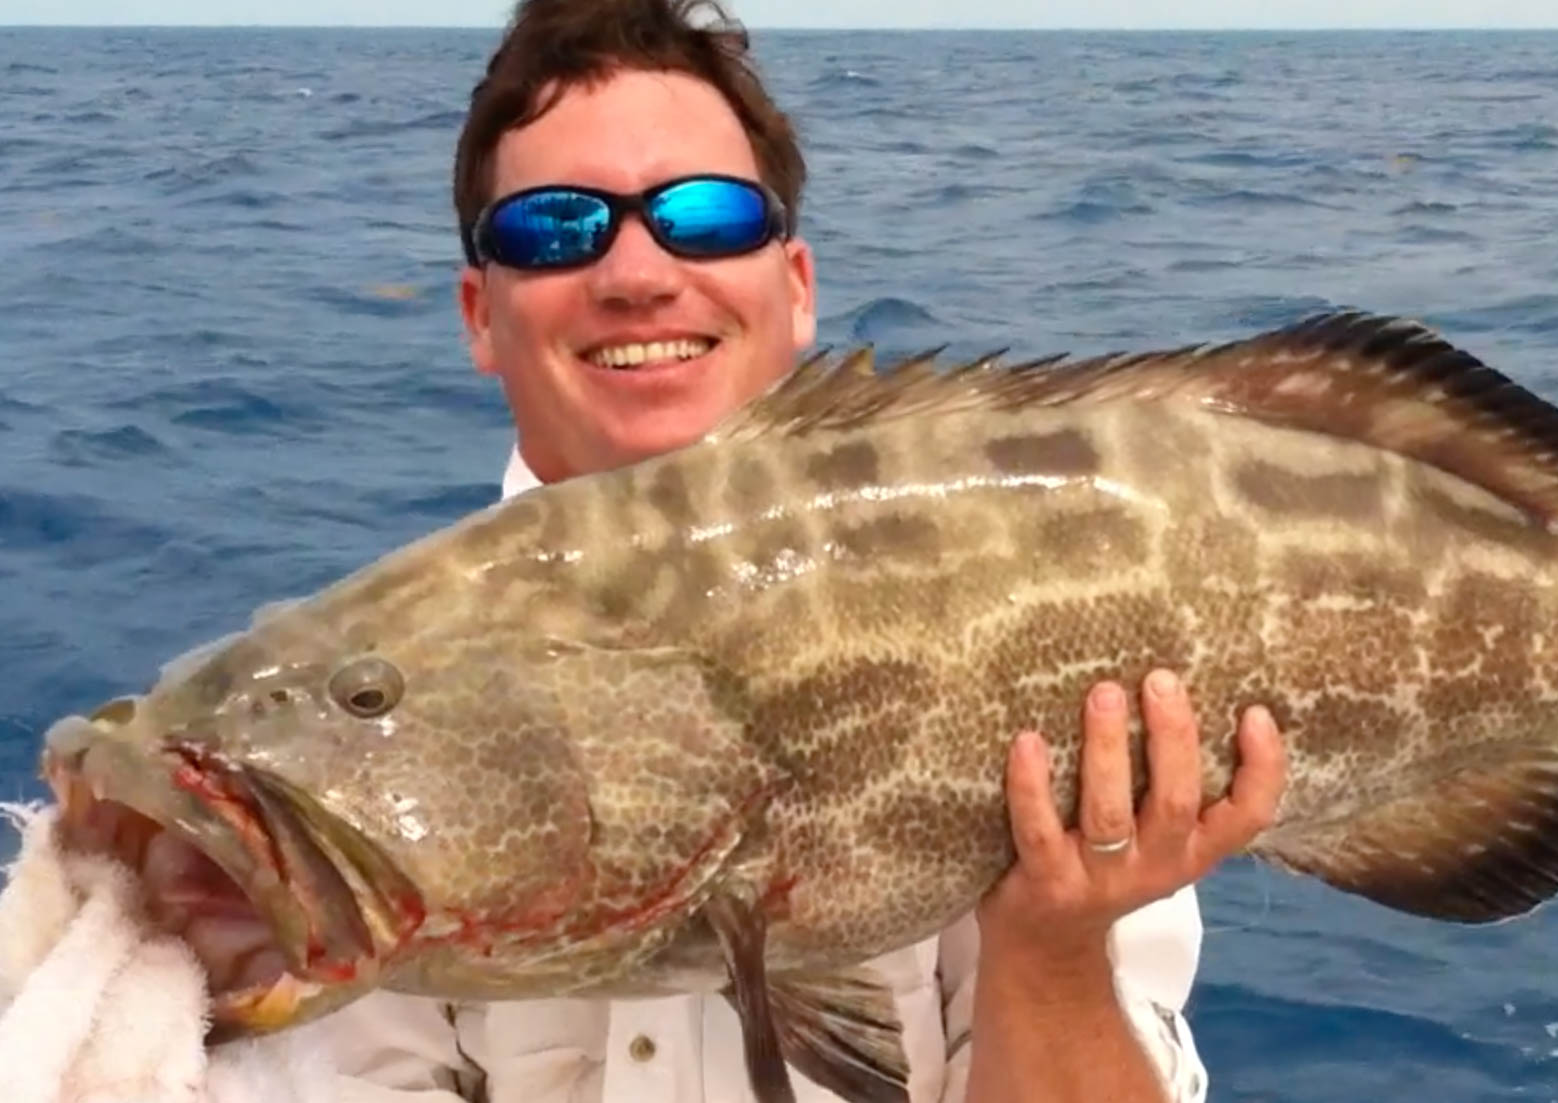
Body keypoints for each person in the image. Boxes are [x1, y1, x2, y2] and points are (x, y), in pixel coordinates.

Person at [0, 1, 1289, 1100]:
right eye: (558, 227)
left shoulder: (1051, 599)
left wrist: (1053, 949)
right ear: (479, 315)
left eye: (708, 216)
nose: (636, 270)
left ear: (794, 285)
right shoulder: (367, 779)